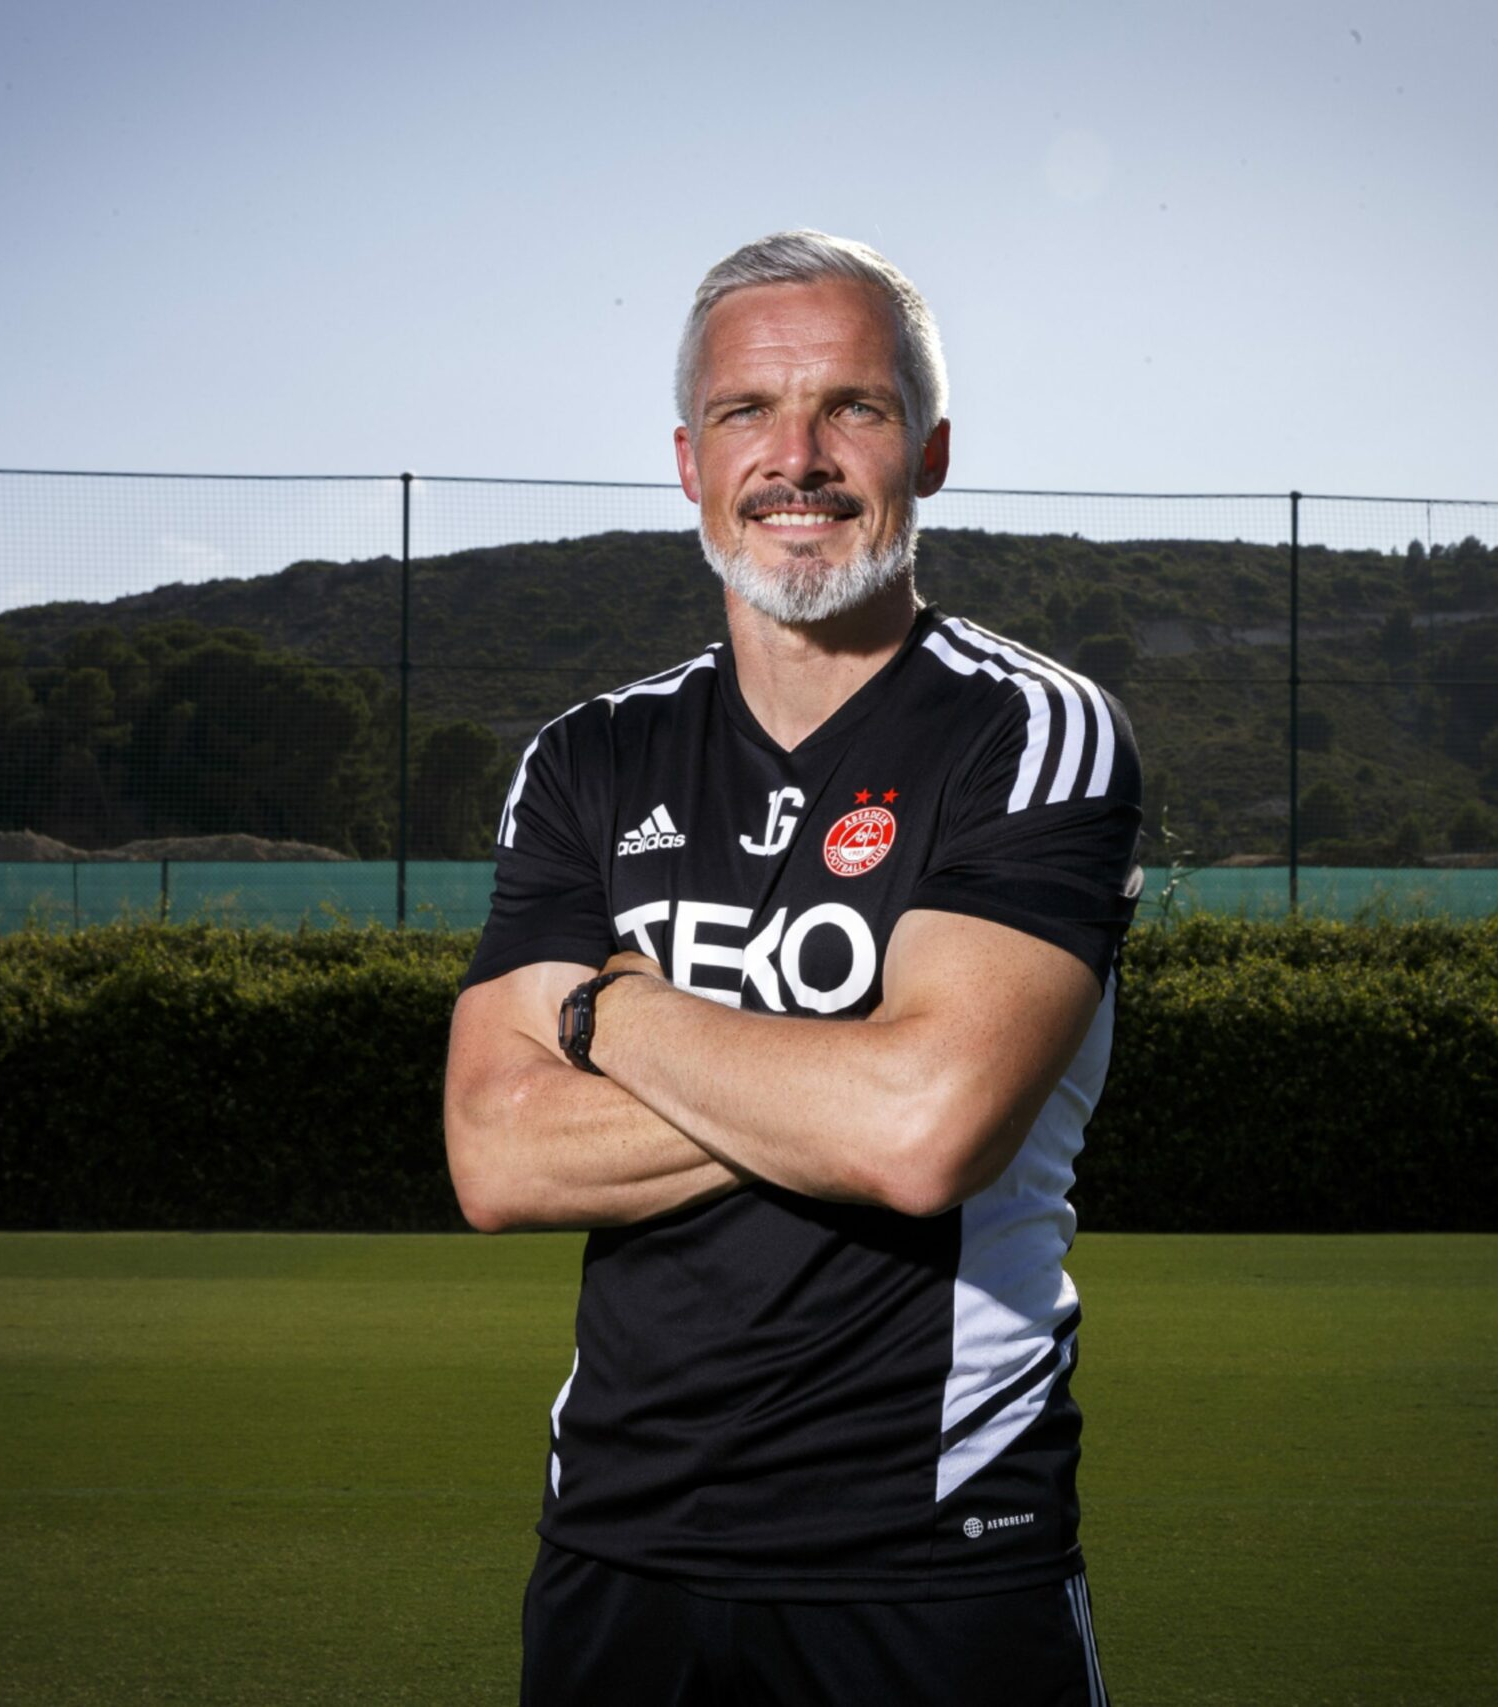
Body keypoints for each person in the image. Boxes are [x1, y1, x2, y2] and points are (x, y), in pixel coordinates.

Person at [443, 229, 1142, 1706]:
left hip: (938, 1559)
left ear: (932, 453)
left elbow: (920, 1131)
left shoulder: (1033, 737)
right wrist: (849, 1051)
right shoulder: (591, 758)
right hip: (616, 1559)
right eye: (751, 414)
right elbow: (497, 1153)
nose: (799, 457)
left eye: (854, 408)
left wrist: (606, 1009)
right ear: (688, 461)